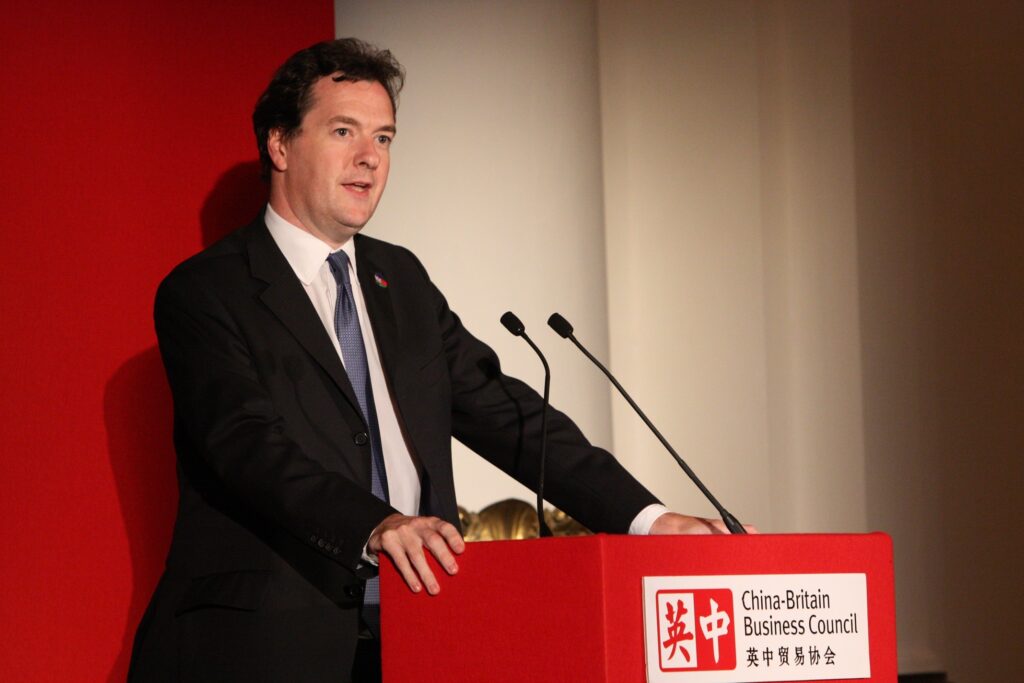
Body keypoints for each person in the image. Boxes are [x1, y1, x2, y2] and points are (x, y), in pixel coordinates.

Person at [128, 38, 746, 683]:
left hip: (418, 633)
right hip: (261, 647)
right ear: (280, 145)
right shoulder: (207, 290)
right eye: (344, 131)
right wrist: (377, 524)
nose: (369, 158)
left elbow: (509, 415)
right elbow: (245, 446)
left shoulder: (402, 281)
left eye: (385, 138)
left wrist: (647, 520)